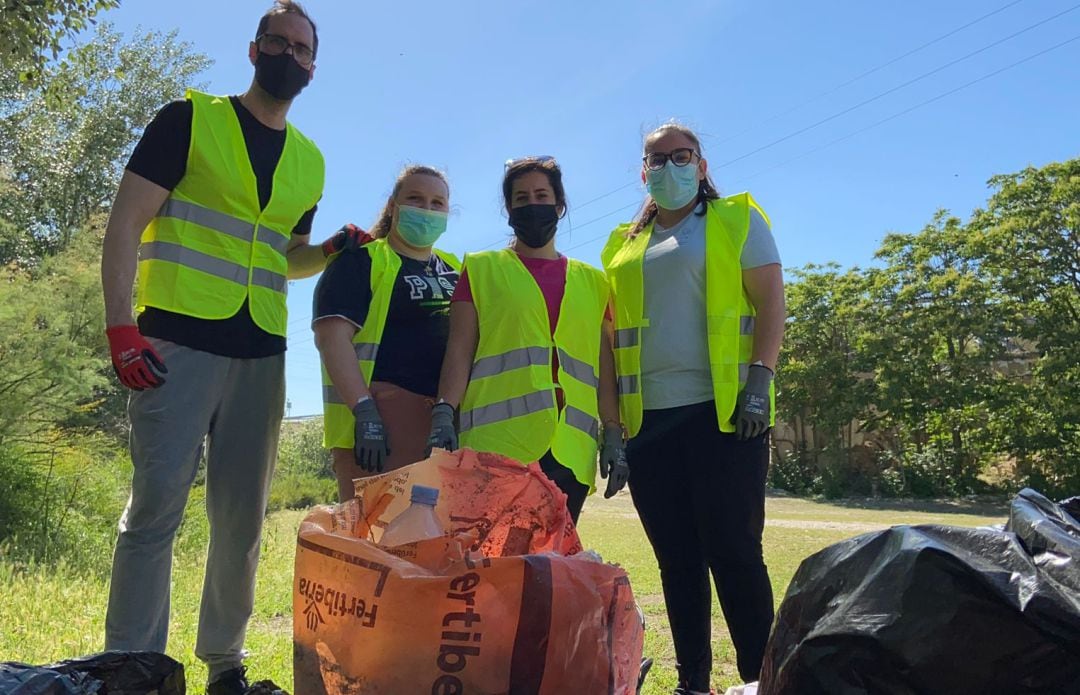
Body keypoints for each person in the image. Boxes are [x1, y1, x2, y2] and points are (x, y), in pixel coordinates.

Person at [98, 3, 347, 693]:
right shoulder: (189, 119)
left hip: (262, 354)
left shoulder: (310, 162)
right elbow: (124, 225)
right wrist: (122, 326)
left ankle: (226, 664)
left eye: (302, 50)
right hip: (172, 343)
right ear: (253, 49)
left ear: (313, 68)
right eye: (279, 42)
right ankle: (132, 664)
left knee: (240, 520)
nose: (289, 56)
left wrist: (326, 251)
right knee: (154, 509)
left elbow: (282, 254)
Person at [600, 122, 785, 693]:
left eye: (681, 156)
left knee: (735, 555)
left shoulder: (736, 220)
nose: (669, 167)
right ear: (642, 171)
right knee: (678, 564)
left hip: (725, 414)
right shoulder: (622, 246)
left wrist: (760, 380)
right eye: (657, 159)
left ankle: (765, 679)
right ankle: (693, 683)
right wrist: (612, 429)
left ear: (701, 165)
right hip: (649, 423)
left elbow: (772, 302)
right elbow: (609, 345)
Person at [429, 156, 629, 524]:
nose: (532, 205)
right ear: (509, 210)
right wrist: (444, 413)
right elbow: (459, 351)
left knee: (551, 568)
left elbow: (604, 367)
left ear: (559, 205)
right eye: (521, 199)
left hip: (571, 453)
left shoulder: (594, 283)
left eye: (541, 195)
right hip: (496, 450)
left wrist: (614, 435)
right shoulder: (482, 269)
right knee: (495, 567)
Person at [313, 165, 460, 501]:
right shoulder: (359, 260)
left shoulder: (457, 268)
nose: (427, 209)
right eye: (416, 199)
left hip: (443, 422)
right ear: (393, 205)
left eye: (437, 203)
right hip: (380, 422)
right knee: (375, 541)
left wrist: (446, 411)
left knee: (434, 543)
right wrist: (365, 412)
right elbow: (332, 338)